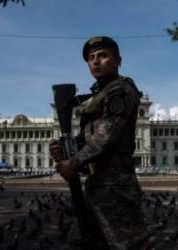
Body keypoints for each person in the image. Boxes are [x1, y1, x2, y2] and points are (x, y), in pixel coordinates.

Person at [50, 36, 149, 250]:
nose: (95, 61)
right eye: (91, 58)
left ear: (117, 61)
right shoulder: (97, 96)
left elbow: (105, 138)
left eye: (103, 56)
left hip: (116, 189)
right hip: (97, 186)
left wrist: (73, 163)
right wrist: (64, 148)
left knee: (129, 245)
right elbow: (88, 138)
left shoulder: (120, 90)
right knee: (82, 242)